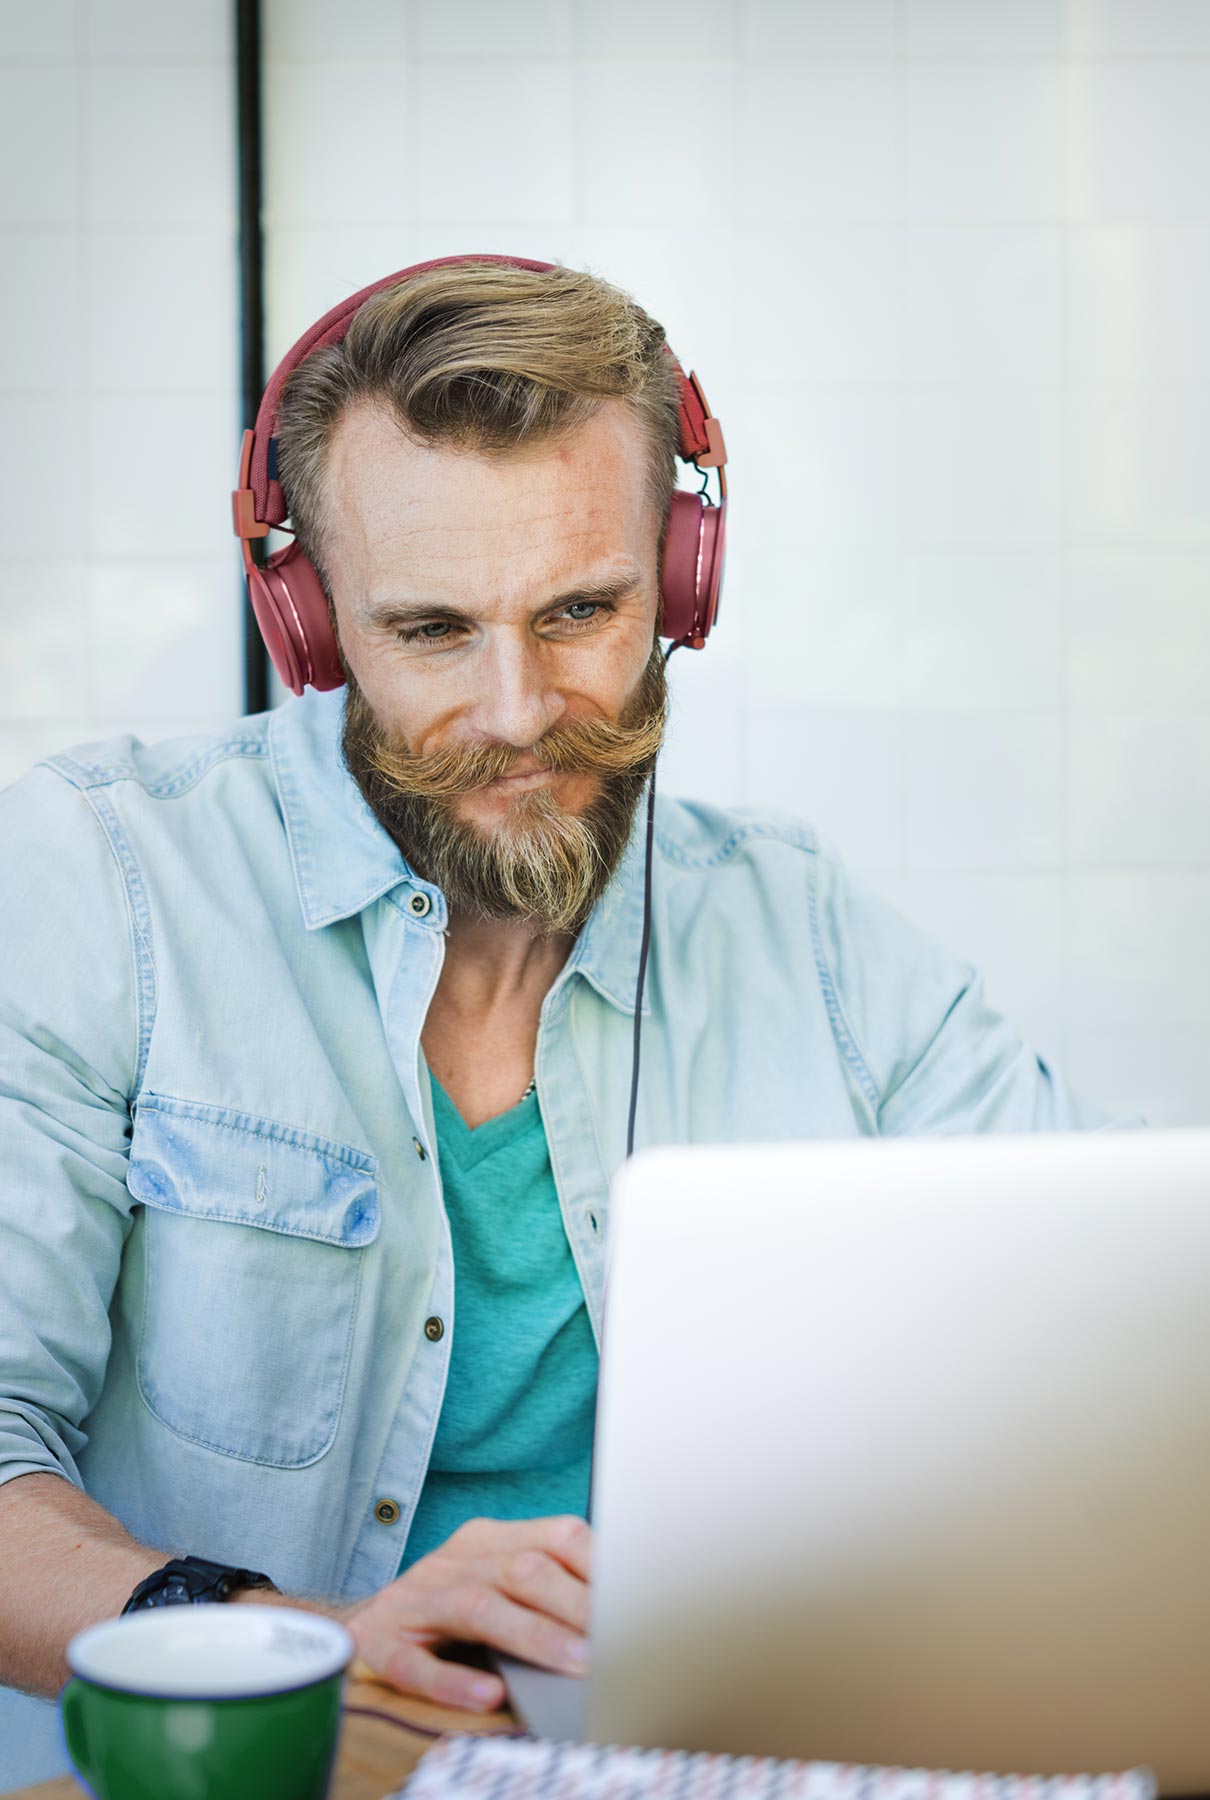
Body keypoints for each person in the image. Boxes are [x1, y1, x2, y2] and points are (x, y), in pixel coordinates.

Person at [0, 256, 1122, 1782]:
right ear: (311, 622)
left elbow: (1125, 1327)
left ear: (684, 580)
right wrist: (300, 1643)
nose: (519, 712)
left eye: (583, 610)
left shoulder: (807, 932)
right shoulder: (104, 881)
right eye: (432, 631)